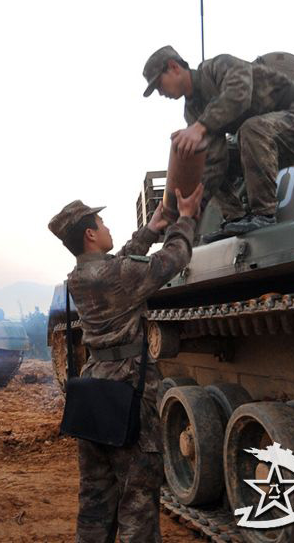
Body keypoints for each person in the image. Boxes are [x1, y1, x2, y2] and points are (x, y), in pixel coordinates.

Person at [48, 184, 203, 543]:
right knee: (137, 501)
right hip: (127, 392)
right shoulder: (117, 275)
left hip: (94, 393)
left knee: (94, 500)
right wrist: (186, 218)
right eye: (101, 223)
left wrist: (149, 230)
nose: (106, 228)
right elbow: (174, 258)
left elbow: (120, 264)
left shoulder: (80, 277)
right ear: (90, 234)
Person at [143, 45, 294, 238]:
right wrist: (191, 210)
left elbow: (240, 94)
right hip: (268, 142)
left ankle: (264, 214)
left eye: (159, 84)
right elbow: (214, 163)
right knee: (206, 159)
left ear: (173, 67)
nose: (160, 92)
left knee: (251, 129)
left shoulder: (217, 67)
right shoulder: (193, 111)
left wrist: (200, 126)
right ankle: (234, 218)